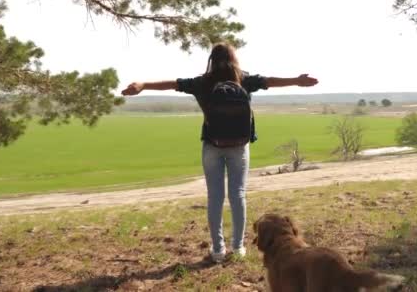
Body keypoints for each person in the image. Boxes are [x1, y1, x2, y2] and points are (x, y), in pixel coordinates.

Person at [121, 43, 318, 262]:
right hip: (239, 146)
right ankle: (238, 247)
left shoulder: (202, 82)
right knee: (238, 195)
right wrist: (297, 81)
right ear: (234, 59)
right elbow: (269, 81)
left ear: (211, 60)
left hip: (212, 146)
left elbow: (172, 84)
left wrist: (143, 85)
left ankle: (217, 250)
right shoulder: (243, 79)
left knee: (215, 198)